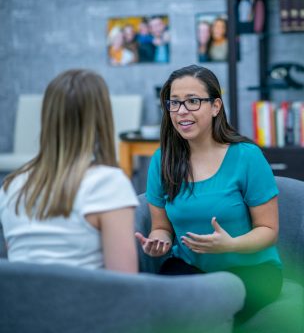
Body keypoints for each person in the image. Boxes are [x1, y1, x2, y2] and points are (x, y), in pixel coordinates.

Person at [135, 65, 283, 324]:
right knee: (160, 308)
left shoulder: (247, 156)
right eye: (175, 103)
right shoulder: (163, 160)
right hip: (190, 269)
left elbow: (269, 230)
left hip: (252, 271)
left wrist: (231, 244)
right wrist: (159, 242)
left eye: (193, 101)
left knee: (206, 310)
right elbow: (161, 227)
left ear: (215, 107)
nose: (182, 111)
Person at [0, 69, 139, 273]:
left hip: (19, 304)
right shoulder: (108, 184)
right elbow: (124, 284)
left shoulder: (11, 186)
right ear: (102, 118)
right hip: (86, 304)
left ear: (47, 117)